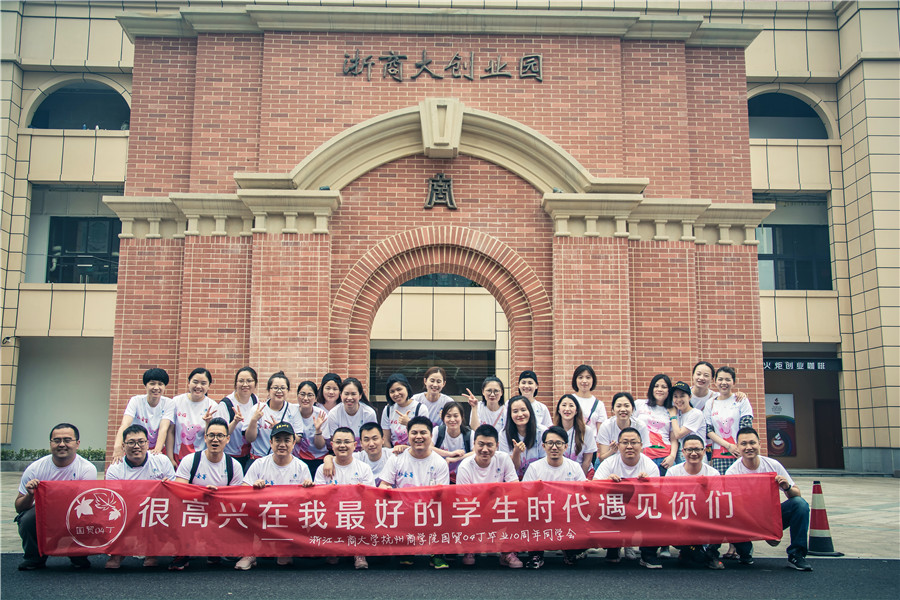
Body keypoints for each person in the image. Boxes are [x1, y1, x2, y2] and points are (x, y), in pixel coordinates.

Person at [726, 427, 813, 571]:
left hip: (772, 516)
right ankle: (744, 551)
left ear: (760, 444)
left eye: (752, 443)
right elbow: (732, 506)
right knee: (727, 517)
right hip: (747, 520)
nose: (748, 447)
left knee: (800, 504)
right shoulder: (732, 472)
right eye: (744, 444)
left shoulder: (773, 465)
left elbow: (797, 493)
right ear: (738, 446)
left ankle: (796, 555)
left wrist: (786, 487)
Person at [15, 423, 97, 571]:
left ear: (77, 443)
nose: (62, 444)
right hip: (44, 512)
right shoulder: (35, 468)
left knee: (88, 515)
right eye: (57, 440)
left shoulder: (87, 469)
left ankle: (78, 555)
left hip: (72, 511)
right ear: (50, 443)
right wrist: (30, 495)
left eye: (67, 440)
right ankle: (34, 558)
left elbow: (84, 502)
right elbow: (19, 507)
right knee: (26, 519)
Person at [236, 422, 313, 570]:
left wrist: (308, 488)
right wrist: (253, 488)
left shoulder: (301, 467)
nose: (282, 444)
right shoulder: (259, 464)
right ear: (271, 443)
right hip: (263, 513)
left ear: (293, 443)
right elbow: (243, 490)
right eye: (278, 440)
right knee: (245, 511)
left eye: (287, 440)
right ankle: (250, 554)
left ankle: (286, 550)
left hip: (289, 515)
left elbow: (309, 499)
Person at [171, 417, 244, 571]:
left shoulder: (234, 466)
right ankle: (183, 552)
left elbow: (236, 499)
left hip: (220, 510)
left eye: (220, 436)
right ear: (205, 438)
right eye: (211, 435)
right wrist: (202, 494)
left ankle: (216, 549)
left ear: (227, 439)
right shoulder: (190, 460)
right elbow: (178, 489)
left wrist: (217, 496)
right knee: (175, 507)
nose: (215, 440)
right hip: (193, 508)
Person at [379, 416, 451, 569]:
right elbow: (384, 484)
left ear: (430, 436)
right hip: (403, 510)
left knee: (444, 509)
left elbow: (443, 494)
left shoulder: (439, 462)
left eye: (423, 433)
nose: (418, 437)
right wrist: (386, 490)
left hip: (429, 509)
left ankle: (437, 553)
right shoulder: (396, 458)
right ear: (408, 435)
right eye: (414, 433)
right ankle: (406, 550)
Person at [104, 423, 176, 569]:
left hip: (154, 508)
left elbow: (174, 488)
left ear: (147, 444)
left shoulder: (161, 461)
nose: (136, 446)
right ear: (123, 446)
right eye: (131, 442)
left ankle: (151, 552)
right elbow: (114, 499)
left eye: (141, 442)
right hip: (127, 509)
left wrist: (167, 486)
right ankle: (117, 553)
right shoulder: (115, 469)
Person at [593, 427, 661, 568]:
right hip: (615, 509)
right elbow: (594, 488)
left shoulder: (650, 466)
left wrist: (648, 484)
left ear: (641, 445)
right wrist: (607, 483)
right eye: (625, 442)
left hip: (641, 509)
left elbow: (657, 496)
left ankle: (648, 554)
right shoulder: (609, 463)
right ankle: (613, 546)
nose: (629, 446)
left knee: (657, 513)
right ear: (618, 445)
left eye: (633, 442)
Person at [455, 424, 521, 568]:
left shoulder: (503, 459)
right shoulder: (465, 466)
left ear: (497, 445)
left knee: (519, 504)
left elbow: (515, 487)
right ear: (474, 444)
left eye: (490, 445)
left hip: (499, 506)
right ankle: (470, 548)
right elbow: (463, 500)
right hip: (474, 508)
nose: (485, 449)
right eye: (481, 444)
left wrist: (496, 501)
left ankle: (507, 552)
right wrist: (487, 501)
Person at [522, 426, 587, 568]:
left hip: (567, 513)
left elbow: (583, 495)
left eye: (558, 443)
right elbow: (525, 495)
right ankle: (536, 553)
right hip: (542, 513)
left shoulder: (575, 467)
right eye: (550, 443)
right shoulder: (534, 467)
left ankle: (570, 550)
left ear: (566, 446)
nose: (554, 447)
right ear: (543, 446)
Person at [314, 426, 376, 570]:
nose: (342, 445)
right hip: (331, 511)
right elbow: (318, 497)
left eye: (347, 442)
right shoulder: (322, 469)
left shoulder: (364, 468)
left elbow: (370, 497)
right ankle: (333, 550)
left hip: (356, 512)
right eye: (338, 442)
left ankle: (359, 552)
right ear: (332, 444)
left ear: (355, 445)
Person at [664, 434, 724, 570]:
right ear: (683, 452)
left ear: (704, 451)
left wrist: (706, 489)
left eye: (697, 449)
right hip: (681, 518)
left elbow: (719, 502)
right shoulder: (673, 472)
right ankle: (689, 550)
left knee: (723, 521)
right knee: (694, 555)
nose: (693, 453)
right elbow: (666, 500)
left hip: (706, 518)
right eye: (689, 450)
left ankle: (711, 554)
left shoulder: (713, 473)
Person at [112, 367, 173, 463]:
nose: (156, 388)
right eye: (152, 383)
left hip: (156, 447)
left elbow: (163, 428)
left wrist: (157, 451)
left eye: (160, 384)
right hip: (136, 447)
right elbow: (125, 424)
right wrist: (117, 447)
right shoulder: (135, 401)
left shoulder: (168, 403)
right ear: (146, 385)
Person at [243, 371, 303, 463]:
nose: (279, 391)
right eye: (275, 388)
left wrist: (280, 428)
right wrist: (254, 420)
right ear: (268, 390)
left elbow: (298, 439)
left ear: (288, 390)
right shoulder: (257, 408)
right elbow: (249, 439)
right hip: (258, 459)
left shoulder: (293, 410)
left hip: (283, 460)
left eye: (283, 388)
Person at [704, 366, 753, 474]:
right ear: (715, 382)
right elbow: (708, 430)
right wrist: (729, 446)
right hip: (719, 455)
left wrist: (739, 447)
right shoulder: (710, 403)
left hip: (740, 453)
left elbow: (746, 427)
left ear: (734, 382)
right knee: (721, 483)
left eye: (727, 379)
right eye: (720, 379)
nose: (724, 383)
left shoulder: (741, 400)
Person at [167, 367, 217, 467]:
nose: (198, 386)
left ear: (209, 386)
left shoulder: (213, 406)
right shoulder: (176, 401)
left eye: (203, 383)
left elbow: (211, 437)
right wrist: (170, 458)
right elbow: (170, 431)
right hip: (177, 457)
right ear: (188, 383)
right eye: (195, 382)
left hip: (200, 459)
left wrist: (208, 423)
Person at [216, 366, 259, 471]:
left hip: (248, 456)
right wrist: (235, 422)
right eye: (241, 381)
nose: (245, 384)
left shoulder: (254, 399)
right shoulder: (226, 404)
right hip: (229, 456)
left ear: (255, 384)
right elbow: (220, 433)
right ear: (235, 384)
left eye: (249, 381)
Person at [320, 422, 390, 485]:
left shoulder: (391, 455)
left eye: (375, 439)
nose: (371, 444)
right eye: (366, 440)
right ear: (361, 443)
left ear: (383, 439)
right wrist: (328, 461)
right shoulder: (358, 457)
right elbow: (339, 457)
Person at [634, 374, 677, 475]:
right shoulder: (639, 404)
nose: (659, 389)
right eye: (656, 386)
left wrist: (672, 456)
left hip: (664, 458)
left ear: (669, 390)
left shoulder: (672, 410)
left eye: (664, 387)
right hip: (643, 456)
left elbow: (673, 438)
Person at [498, 395, 546, 479]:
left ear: (530, 411)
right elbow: (510, 469)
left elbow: (545, 462)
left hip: (537, 479)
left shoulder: (542, 432)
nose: (520, 414)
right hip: (514, 481)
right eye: (515, 411)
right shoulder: (503, 434)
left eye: (523, 410)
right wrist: (516, 453)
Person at [596, 392, 650, 463]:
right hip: (610, 463)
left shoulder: (640, 426)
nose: (623, 409)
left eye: (626, 406)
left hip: (632, 463)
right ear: (613, 409)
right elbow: (602, 459)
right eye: (618, 406)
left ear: (633, 409)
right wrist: (612, 451)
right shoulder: (606, 426)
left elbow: (640, 455)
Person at [325, 377, 377, 451]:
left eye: (353, 394)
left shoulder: (369, 413)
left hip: (364, 452)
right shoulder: (333, 413)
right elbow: (335, 442)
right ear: (341, 395)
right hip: (342, 452)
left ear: (360, 395)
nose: (349, 398)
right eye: (346, 394)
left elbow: (370, 441)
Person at [430, 402, 474, 483]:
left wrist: (455, 459)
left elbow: (475, 452)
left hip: (462, 477)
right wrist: (450, 454)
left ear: (462, 417)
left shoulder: (470, 434)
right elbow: (429, 448)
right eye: (448, 416)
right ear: (443, 418)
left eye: (456, 416)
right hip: (440, 476)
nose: (452, 420)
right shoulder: (437, 431)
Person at [554, 394, 595, 476]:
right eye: (564, 405)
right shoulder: (553, 432)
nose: (567, 409)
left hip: (583, 473)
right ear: (558, 410)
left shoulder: (586, 431)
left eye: (571, 405)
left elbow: (587, 460)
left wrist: (580, 479)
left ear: (576, 411)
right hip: (560, 474)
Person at [293, 380, 329, 475]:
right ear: (297, 395)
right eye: (302, 394)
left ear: (316, 398)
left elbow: (320, 446)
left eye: (310, 395)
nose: (305, 398)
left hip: (318, 459)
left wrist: (318, 430)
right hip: (298, 458)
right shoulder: (291, 411)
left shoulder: (321, 414)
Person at [380, 373, 424, 447]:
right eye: (392, 391)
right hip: (394, 451)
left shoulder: (420, 408)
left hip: (415, 451)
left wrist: (409, 423)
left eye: (399, 389)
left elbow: (424, 436)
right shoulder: (388, 410)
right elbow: (386, 439)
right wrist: (391, 452)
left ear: (407, 388)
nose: (396, 394)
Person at [668, 381, 706, 463]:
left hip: (696, 454)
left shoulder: (696, 413)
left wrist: (673, 416)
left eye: (682, 396)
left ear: (690, 397)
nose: (678, 400)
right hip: (681, 454)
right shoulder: (677, 414)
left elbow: (678, 434)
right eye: (675, 396)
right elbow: (673, 437)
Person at [571, 364, 608, 434]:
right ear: (575, 380)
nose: (584, 381)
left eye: (588, 377)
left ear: (593, 380)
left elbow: (601, 432)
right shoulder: (569, 400)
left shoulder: (599, 404)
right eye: (580, 377)